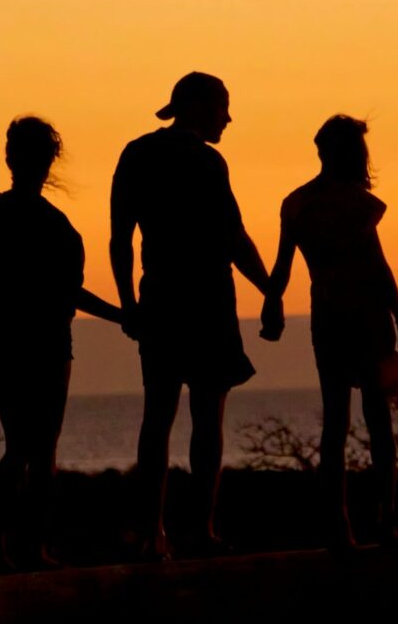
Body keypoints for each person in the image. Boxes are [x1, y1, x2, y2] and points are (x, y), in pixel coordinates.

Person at [110, 72, 269, 559]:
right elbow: (234, 237)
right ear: (198, 106)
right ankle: (200, 530)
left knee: (157, 417)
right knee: (206, 419)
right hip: (207, 301)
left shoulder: (136, 154)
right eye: (223, 106)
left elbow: (120, 239)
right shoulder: (207, 161)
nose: (228, 118)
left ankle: (153, 533)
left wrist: (129, 304)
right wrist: (270, 290)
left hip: (159, 298)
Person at [0, 116, 123, 570]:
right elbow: (67, 293)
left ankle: (10, 547)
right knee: (36, 449)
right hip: (44, 346)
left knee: (23, 448)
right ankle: (23, 547)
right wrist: (122, 316)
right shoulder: (51, 225)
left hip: (21, 345)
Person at [261, 115, 398, 552]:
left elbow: (283, 266)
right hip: (365, 316)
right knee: (377, 421)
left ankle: (341, 526)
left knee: (337, 422)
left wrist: (272, 305)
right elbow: (378, 268)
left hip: (328, 316)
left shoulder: (297, 203)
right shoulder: (357, 203)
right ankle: (385, 521)